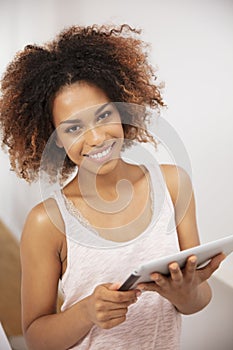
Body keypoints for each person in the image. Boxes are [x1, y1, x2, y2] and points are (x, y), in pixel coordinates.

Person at [0, 24, 225, 350]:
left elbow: (195, 301)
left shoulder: (173, 184)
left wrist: (186, 292)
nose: (95, 138)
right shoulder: (47, 222)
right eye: (73, 127)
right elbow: (36, 338)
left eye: (103, 116)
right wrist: (88, 312)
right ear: (54, 139)